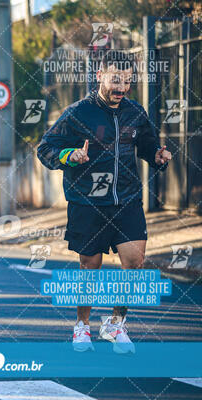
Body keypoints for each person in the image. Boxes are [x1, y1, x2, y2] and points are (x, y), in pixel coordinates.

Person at [37, 50, 172, 354]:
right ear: (99, 76)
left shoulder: (135, 112)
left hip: (126, 198)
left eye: (127, 81)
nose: (121, 87)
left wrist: (157, 157)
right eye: (115, 79)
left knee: (135, 262)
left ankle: (115, 324)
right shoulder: (78, 113)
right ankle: (82, 326)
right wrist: (69, 156)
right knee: (90, 266)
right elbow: (45, 148)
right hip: (87, 201)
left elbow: (147, 145)